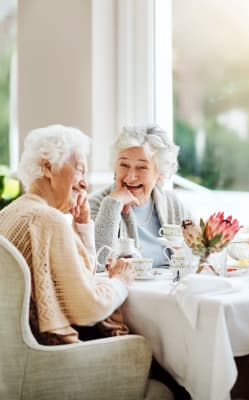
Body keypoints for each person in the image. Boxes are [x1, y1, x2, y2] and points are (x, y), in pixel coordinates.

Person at [0, 124, 135, 345]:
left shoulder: (10, 213)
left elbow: (79, 280)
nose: (85, 182)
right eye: (80, 169)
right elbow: (89, 308)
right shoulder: (47, 220)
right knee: (146, 348)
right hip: (51, 353)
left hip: (14, 354)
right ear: (47, 167)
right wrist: (120, 282)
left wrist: (82, 224)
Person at [89, 124, 191, 268]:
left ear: (160, 173)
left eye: (142, 167)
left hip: (169, 288)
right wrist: (112, 204)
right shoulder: (96, 204)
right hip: (124, 289)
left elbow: (199, 250)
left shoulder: (171, 203)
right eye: (124, 165)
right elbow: (96, 264)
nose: (130, 177)